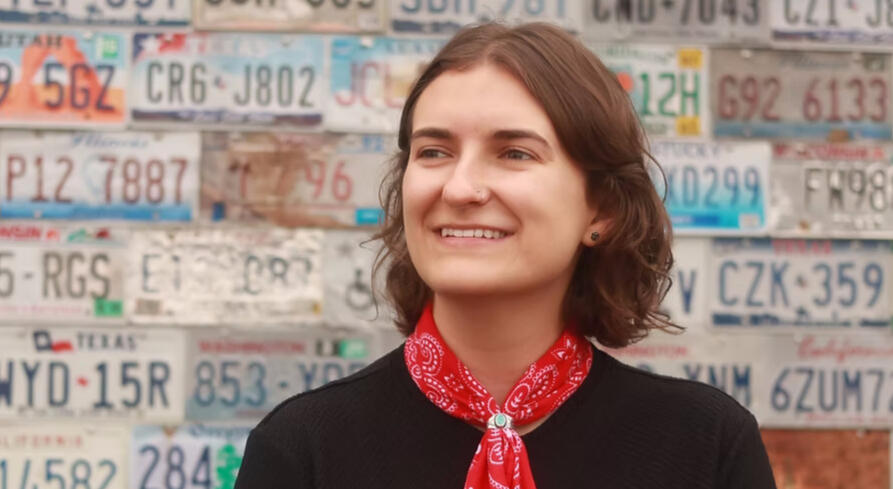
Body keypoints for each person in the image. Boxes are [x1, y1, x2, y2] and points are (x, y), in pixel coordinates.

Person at [234, 22, 777, 489]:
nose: (460, 188)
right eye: (434, 152)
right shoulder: (303, 450)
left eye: (514, 152)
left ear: (602, 208)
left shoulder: (704, 446)